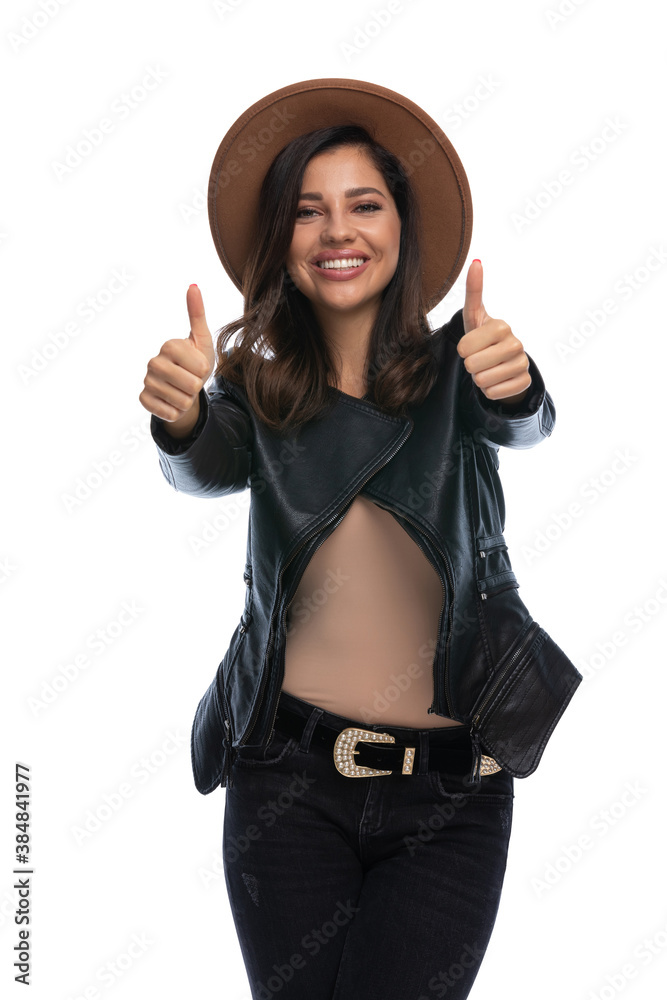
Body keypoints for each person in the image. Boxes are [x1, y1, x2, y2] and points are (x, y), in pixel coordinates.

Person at [140, 78, 582, 999]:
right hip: (284, 782)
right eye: (308, 212)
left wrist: (516, 381)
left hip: (452, 796)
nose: (337, 231)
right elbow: (201, 462)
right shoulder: (255, 397)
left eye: (363, 205)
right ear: (282, 243)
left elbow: (525, 421)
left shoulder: (462, 369)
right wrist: (179, 417)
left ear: (401, 226)